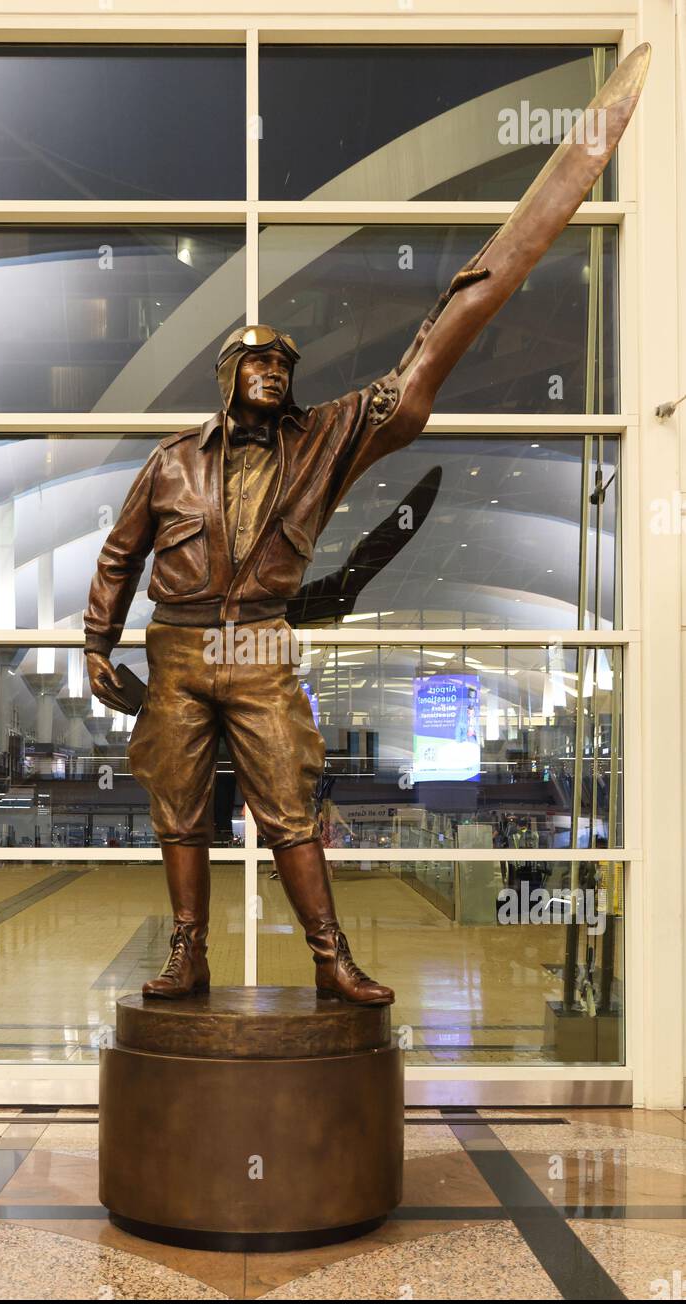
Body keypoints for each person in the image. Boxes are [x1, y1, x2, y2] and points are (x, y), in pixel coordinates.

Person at [83, 42, 648, 1005]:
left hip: (262, 655)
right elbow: (119, 552)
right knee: (177, 813)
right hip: (175, 654)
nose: (274, 370)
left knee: (290, 812)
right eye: (256, 361)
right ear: (227, 377)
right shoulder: (172, 461)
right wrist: (97, 642)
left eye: (283, 362)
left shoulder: (327, 438)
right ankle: (188, 951)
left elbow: (420, 366)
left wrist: (493, 271)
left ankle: (328, 956)